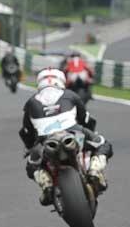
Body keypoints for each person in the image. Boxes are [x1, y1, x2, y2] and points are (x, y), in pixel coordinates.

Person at [19, 68, 113, 205]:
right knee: (103, 144)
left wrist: (30, 148)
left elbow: (26, 131)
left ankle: (46, 185)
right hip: (74, 133)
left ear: (39, 83)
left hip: (46, 139)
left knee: (31, 164)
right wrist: (89, 134)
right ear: (61, 81)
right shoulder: (70, 94)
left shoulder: (30, 102)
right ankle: (94, 170)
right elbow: (86, 120)